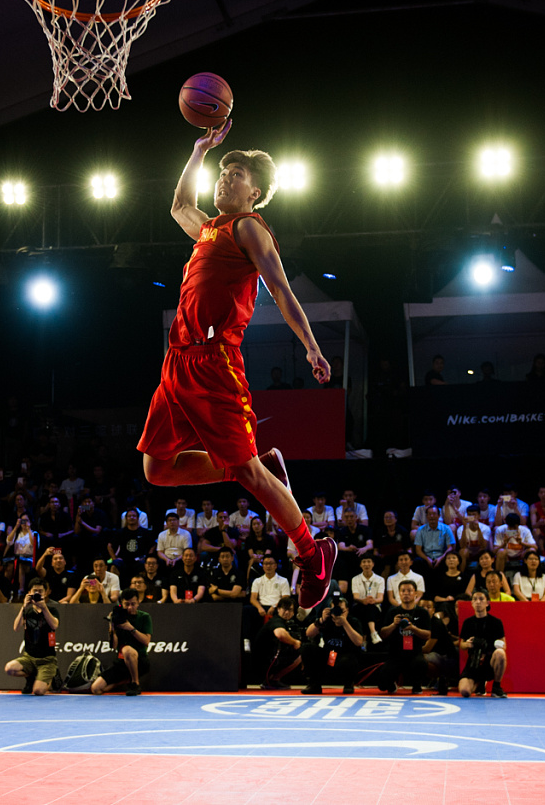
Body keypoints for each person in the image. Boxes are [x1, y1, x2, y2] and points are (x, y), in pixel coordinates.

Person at [139, 121, 336, 610]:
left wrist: (311, 346)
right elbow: (179, 205)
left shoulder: (249, 227)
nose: (226, 179)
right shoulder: (209, 228)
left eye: (238, 174)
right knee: (157, 470)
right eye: (224, 173)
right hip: (176, 363)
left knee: (248, 475)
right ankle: (256, 465)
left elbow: (281, 289)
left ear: (256, 193)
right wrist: (199, 150)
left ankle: (314, 555)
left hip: (214, 364)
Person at [4, 578, 61, 695]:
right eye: (35, 591)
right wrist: (24, 606)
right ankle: (31, 677)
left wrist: (44, 608)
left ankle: (52, 675)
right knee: (9, 668)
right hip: (29, 658)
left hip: (47, 660)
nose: (38, 593)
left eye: (41, 591)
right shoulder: (27, 612)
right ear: (29, 592)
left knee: (38, 691)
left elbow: (54, 625)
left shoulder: (52, 610)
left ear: (45, 593)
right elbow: (16, 627)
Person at [90, 588, 152, 696]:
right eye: (126, 604)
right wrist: (112, 627)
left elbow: (146, 641)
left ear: (138, 602)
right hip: (121, 662)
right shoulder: (118, 618)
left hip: (140, 661)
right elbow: (114, 646)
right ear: (121, 603)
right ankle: (126, 680)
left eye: (133, 604)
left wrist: (131, 628)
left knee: (127, 650)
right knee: (96, 689)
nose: (130, 607)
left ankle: (135, 683)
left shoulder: (144, 617)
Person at [300, 593, 364, 694]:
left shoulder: (353, 621)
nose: (337, 613)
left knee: (349, 659)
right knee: (307, 647)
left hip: (345, 657)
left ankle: (348, 684)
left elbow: (359, 642)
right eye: (335, 609)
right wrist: (321, 620)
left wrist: (345, 623)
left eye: (341, 610)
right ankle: (314, 685)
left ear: (347, 610)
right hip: (329, 656)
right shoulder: (327, 620)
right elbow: (309, 633)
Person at [377, 580, 432, 694]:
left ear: (415, 593)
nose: (406, 593)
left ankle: (417, 685)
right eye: (403, 591)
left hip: (415, 653)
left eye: (409, 591)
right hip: (396, 654)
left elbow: (427, 635)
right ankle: (391, 684)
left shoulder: (422, 612)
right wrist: (393, 625)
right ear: (399, 593)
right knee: (382, 683)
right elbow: (383, 634)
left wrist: (413, 628)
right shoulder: (393, 611)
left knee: (421, 663)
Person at [457, 591, 508, 698]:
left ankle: (496, 686)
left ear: (487, 602)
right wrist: (468, 644)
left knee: (500, 653)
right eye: (475, 599)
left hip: (489, 661)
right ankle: (479, 683)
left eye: (481, 599)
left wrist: (490, 646)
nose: (478, 602)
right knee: (465, 691)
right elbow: (462, 645)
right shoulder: (468, 622)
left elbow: (503, 645)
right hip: (474, 662)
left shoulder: (496, 622)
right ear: (471, 603)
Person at [254, 596, 303, 690]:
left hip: (267, 658)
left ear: (293, 612)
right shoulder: (276, 621)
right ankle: (272, 680)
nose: (287, 612)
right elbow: (280, 634)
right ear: (278, 609)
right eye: (285, 609)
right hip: (261, 662)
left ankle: (272, 680)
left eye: (290, 610)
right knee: (301, 653)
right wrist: (295, 642)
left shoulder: (284, 622)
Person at [349, 555, 386, 645]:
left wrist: (373, 601)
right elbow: (356, 597)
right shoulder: (355, 579)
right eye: (364, 562)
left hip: (375, 607)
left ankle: (364, 640)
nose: (366, 564)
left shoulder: (380, 579)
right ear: (360, 565)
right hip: (359, 606)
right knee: (365, 609)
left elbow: (380, 598)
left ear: (373, 564)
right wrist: (363, 601)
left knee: (370, 608)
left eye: (369, 562)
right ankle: (373, 633)